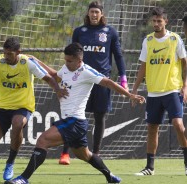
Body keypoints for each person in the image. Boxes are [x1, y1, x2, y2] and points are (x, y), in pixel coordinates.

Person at [5, 43, 145, 184]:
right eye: (65, 60)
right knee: (86, 155)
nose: (66, 63)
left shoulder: (87, 72)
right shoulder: (66, 67)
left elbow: (108, 83)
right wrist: (36, 60)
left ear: (79, 61)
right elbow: (55, 75)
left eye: (69, 61)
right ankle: (111, 176)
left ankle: (23, 178)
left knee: (42, 140)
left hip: (74, 121)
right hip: (73, 122)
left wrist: (130, 95)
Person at [0, 37, 67, 182]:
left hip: (23, 106)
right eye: (5, 53)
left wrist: (57, 90)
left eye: (9, 54)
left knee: (17, 124)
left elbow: (48, 78)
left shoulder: (27, 63)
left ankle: (10, 163)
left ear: (18, 52)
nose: (6, 56)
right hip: (2, 106)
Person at [59, 0, 129, 165]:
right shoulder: (79, 31)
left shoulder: (110, 32)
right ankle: (64, 153)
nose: (94, 15)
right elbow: (71, 55)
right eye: (92, 12)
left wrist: (123, 78)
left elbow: (118, 56)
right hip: (80, 79)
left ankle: (96, 153)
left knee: (99, 116)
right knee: (72, 115)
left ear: (102, 14)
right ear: (88, 13)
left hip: (100, 79)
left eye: (97, 12)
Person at [132, 7, 187, 176]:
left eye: (159, 21)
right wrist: (134, 89)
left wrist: (185, 86)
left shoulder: (174, 39)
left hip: (172, 90)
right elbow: (143, 66)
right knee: (152, 128)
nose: (156, 24)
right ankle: (150, 167)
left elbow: (185, 62)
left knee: (178, 124)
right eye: (154, 21)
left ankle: (186, 164)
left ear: (166, 21)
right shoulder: (147, 41)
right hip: (154, 92)